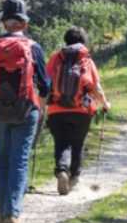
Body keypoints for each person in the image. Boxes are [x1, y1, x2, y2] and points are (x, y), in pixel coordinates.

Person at [0, 0, 51, 223]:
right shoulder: (33, 47)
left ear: (4, 22)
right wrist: (42, 111)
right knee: (20, 161)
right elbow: (46, 86)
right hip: (26, 110)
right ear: (24, 23)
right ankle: (12, 214)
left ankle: (2, 212)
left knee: (3, 161)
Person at [46, 27, 111, 195]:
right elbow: (95, 87)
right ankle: (73, 177)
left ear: (66, 40)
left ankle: (61, 170)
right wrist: (104, 104)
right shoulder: (86, 60)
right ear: (83, 41)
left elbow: (45, 82)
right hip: (81, 110)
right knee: (77, 143)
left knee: (61, 142)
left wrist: (40, 106)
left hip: (56, 109)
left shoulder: (55, 58)